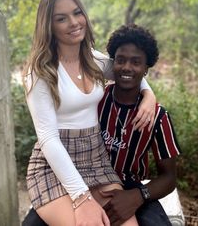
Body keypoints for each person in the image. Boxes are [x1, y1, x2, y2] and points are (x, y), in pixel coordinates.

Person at [22, 23, 181, 226]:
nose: (127, 67)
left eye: (136, 62)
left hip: (131, 187)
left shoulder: (157, 116)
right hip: (79, 175)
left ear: (146, 67)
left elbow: (169, 178)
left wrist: (138, 196)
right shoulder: (96, 100)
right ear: (112, 63)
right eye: (120, 60)